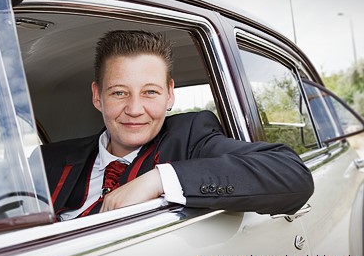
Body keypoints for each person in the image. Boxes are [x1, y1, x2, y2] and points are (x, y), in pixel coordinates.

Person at [40, 30, 314, 221]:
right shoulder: (47, 160)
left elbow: (293, 176)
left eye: (150, 92)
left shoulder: (190, 137)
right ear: (97, 96)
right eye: (119, 93)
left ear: (170, 94)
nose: (135, 110)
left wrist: (159, 179)